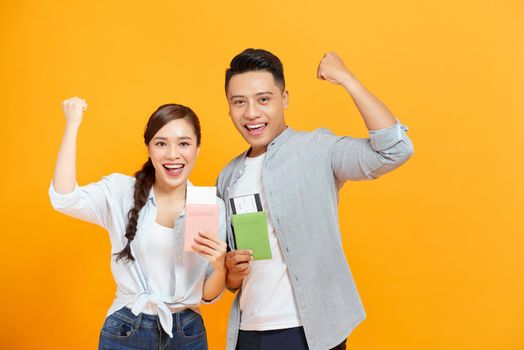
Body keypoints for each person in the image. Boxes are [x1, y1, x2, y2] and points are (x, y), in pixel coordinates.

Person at [218, 49, 414, 350]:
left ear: (284, 99)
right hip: (248, 332)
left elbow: (394, 150)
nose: (251, 113)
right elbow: (228, 278)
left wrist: (348, 79)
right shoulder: (228, 177)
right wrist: (231, 271)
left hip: (311, 333)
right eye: (239, 102)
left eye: (263, 99)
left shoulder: (317, 149)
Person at [49, 98, 227, 350]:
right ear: (149, 149)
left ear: (197, 148)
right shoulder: (121, 192)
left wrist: (220, 268)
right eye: (161, 143)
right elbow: (64, 199)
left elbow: (208, 295)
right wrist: (72, 125)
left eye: (184, 144)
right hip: (126, 329)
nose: (173, 154)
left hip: (188, 332)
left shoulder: (212, 207)